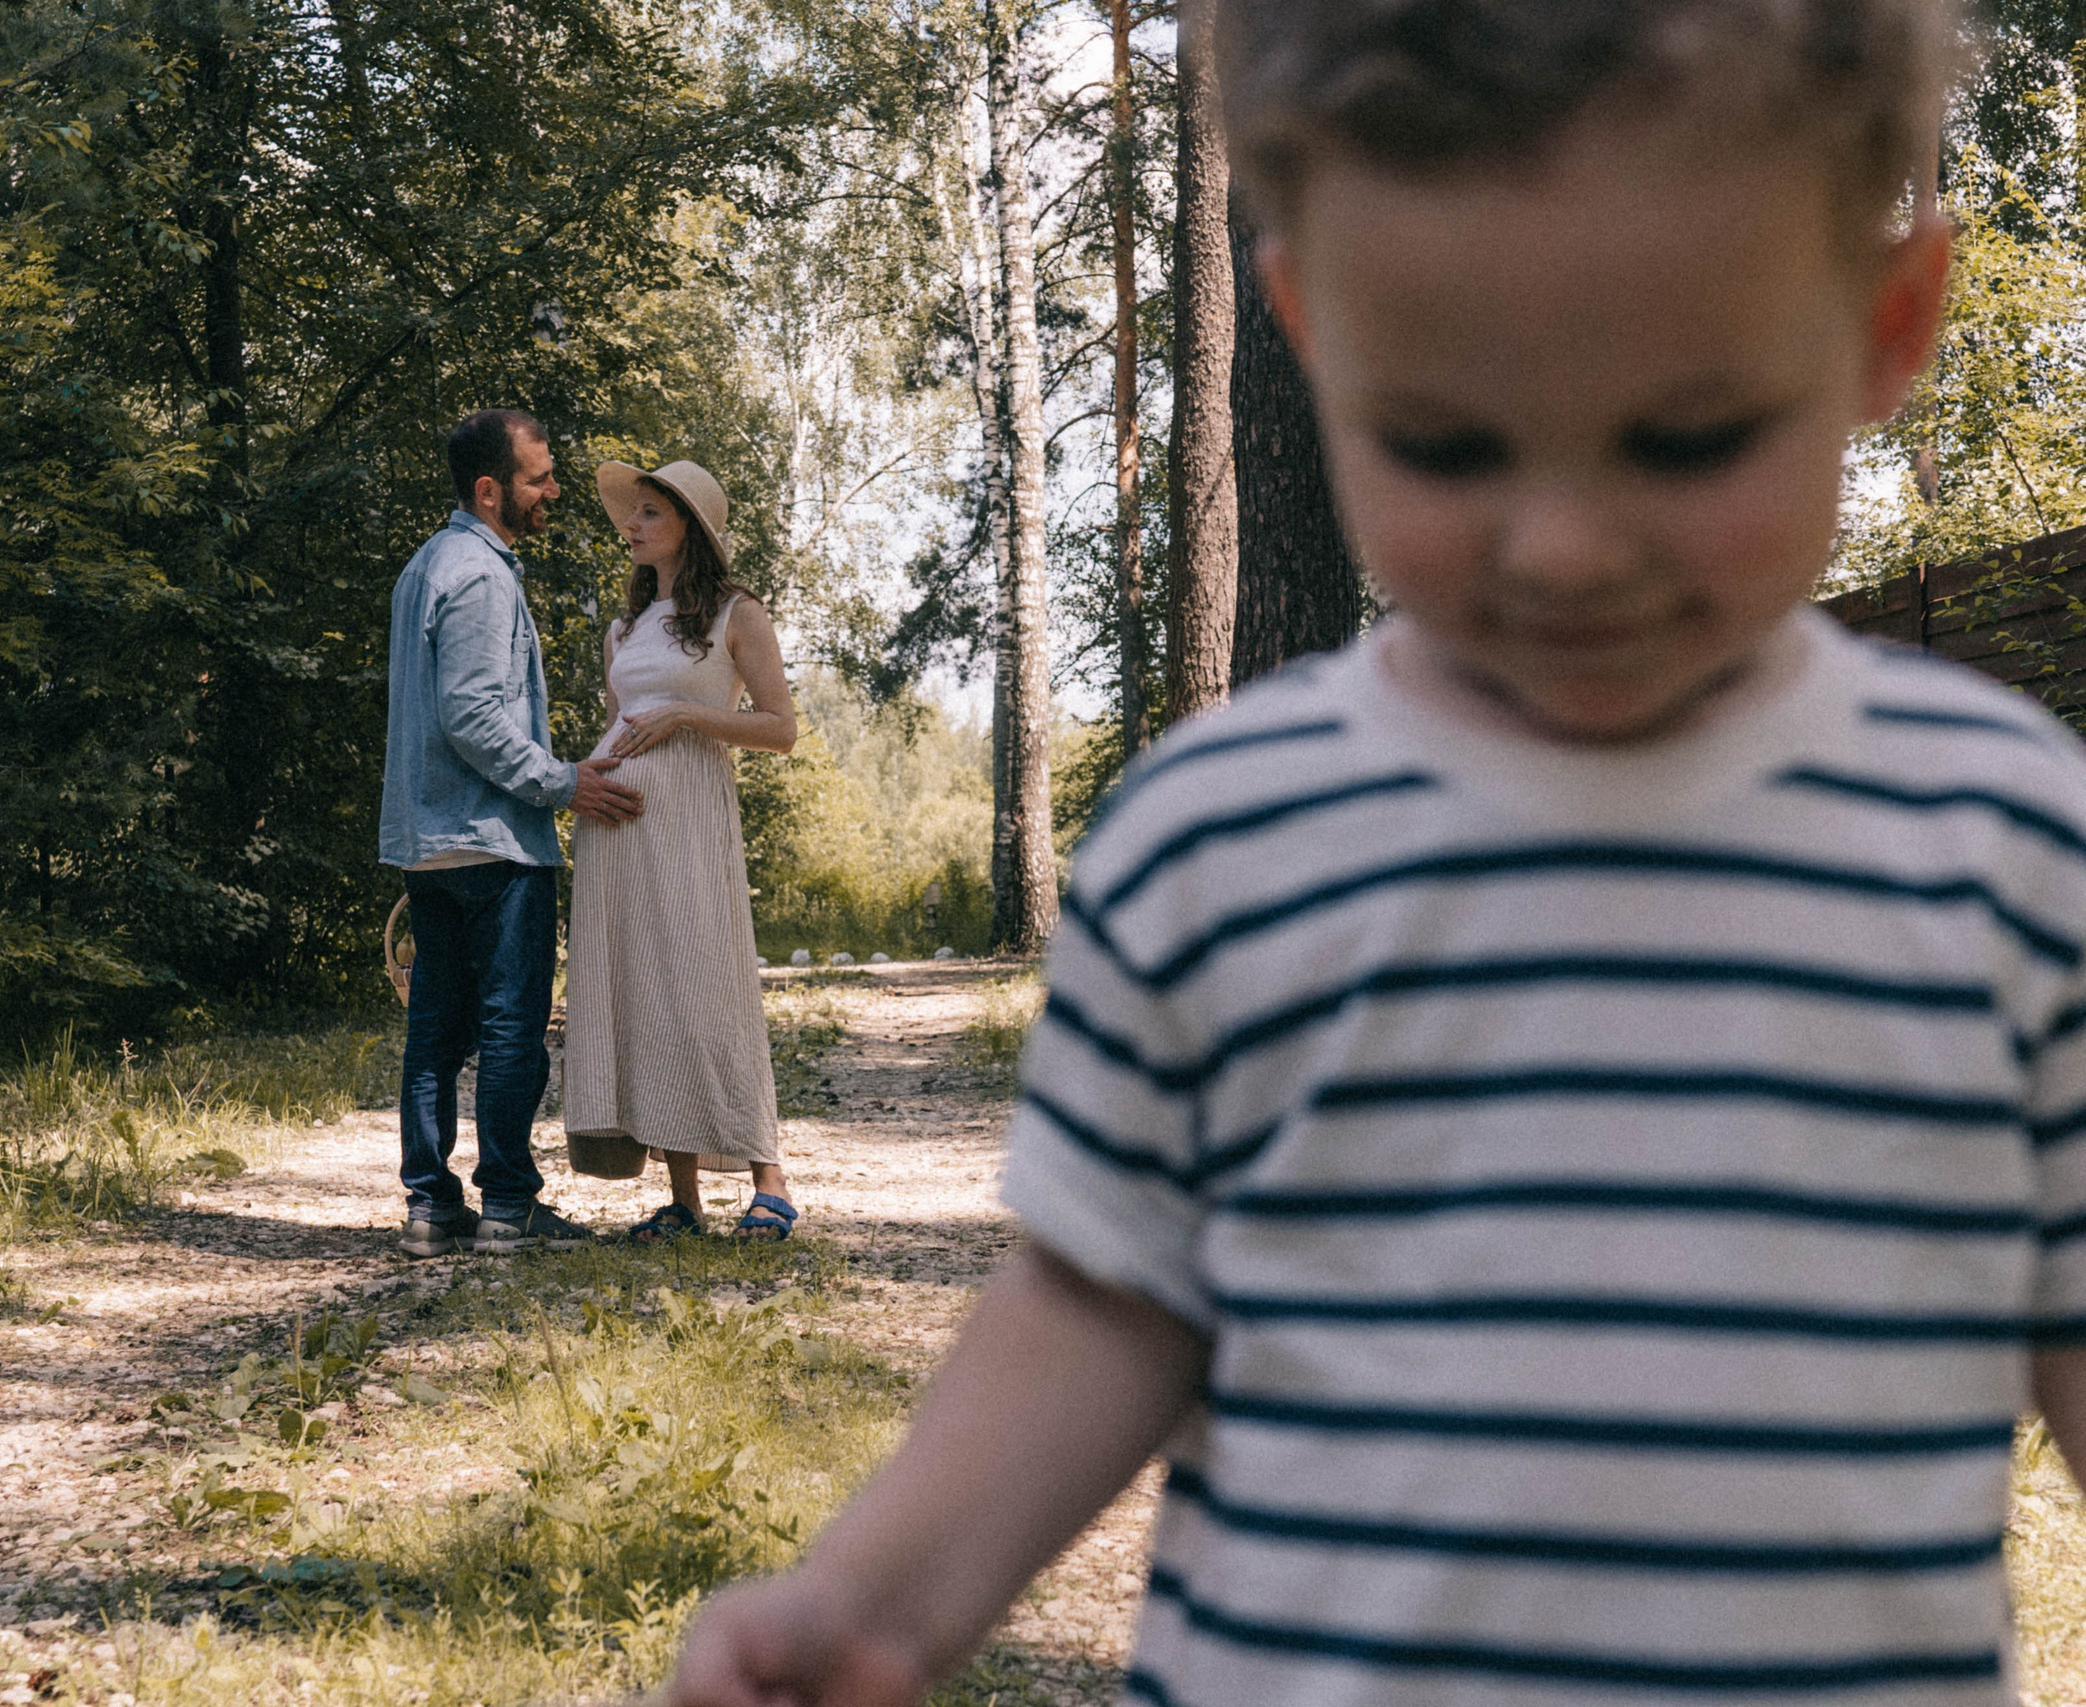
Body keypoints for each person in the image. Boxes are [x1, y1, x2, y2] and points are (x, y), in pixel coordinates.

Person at [664, 2, 2086, 1702]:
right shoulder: (1224, 845)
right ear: (1313, 324)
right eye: (1447, 444)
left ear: (1889, 318)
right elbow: (1105, 1308)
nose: (1561, 549)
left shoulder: (2005, 849)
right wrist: (872, 1607)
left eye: (1688, 438)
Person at [377, 408, 644, 1258]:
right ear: (490, 489)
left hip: (429, 841)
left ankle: (430, 1206)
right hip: (492, 838)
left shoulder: (424, 566)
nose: (553, 491)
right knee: (507, 1026)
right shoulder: (482, 575)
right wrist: (563, 783)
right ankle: (507, 1205)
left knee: (435, 1029)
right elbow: (472, 718)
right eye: (538, 478)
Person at [563, 459, 803, 1241]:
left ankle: (770, 1176)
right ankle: (683, 1200)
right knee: (646, 995)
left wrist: (689, 717)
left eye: (648, 513)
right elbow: (620, 722)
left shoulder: (737, 613)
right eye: (631, 514)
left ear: (688, 529)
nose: (630, 526)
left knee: (708, 983)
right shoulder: (623, 631)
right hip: (618, 832)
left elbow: (781, 727)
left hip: (691, 823)